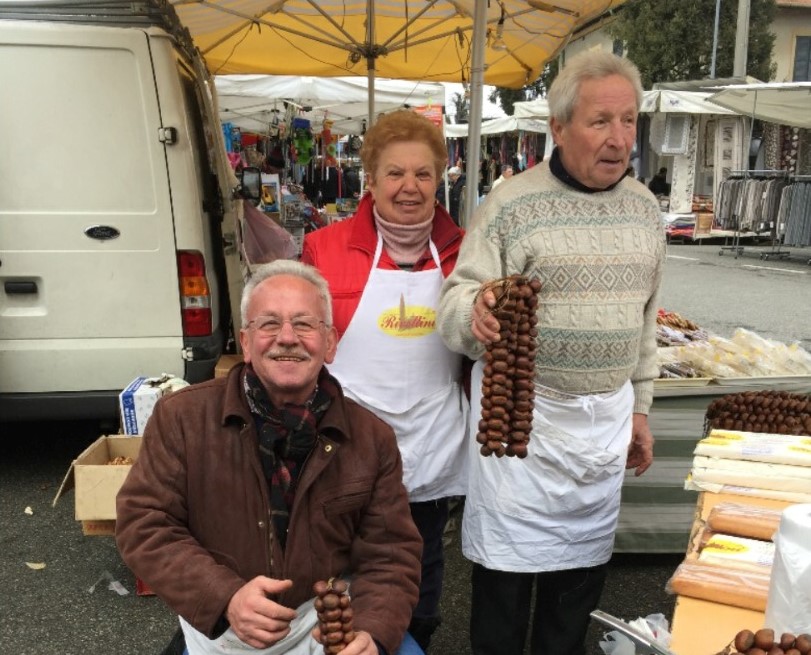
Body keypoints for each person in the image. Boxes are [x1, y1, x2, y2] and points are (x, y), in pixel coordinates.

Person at [436, 50, 665, 655]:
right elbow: (456, 297)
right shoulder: (511, 205)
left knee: (577, 586)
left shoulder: (646, 210)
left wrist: (640, 410)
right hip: (521, 423)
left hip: (602, 422)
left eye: (629, 120)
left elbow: (645, 324)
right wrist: (475, 312)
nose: (619, 139)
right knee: (505, 588)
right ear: (558, 128)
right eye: (600, 122)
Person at [115, 260, 423, 655]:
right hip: (219, 628)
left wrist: (372, 633)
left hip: (322, 628)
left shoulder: (370, 438)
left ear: (330, 342)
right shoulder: (182, 418)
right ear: (245, 341)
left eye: (305, 324)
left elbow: (392, 555)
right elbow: (145, 523)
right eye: (269, 324)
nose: (288, 338)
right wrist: (225, 597)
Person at [301, 110, 469, 653]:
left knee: (420, 562)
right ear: (369, 180)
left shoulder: (465, 252)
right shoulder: (323, 249)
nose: (409, 187)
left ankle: (413, 638)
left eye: (423, 174)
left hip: (430, 439)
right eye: (394, 173)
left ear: (440, 178)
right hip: (345, 444)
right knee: (339, 568)